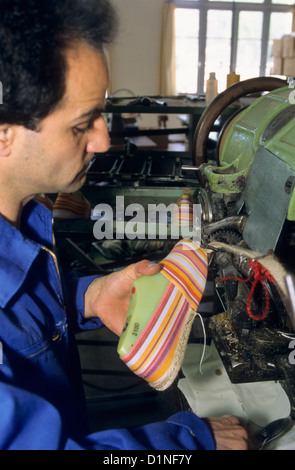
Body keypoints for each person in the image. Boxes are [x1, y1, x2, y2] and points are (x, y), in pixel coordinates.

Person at [0, 0, 248, 450]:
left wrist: (88, 296)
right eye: (81, 125)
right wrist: (192, 442)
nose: (103, 139)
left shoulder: (27, 220)